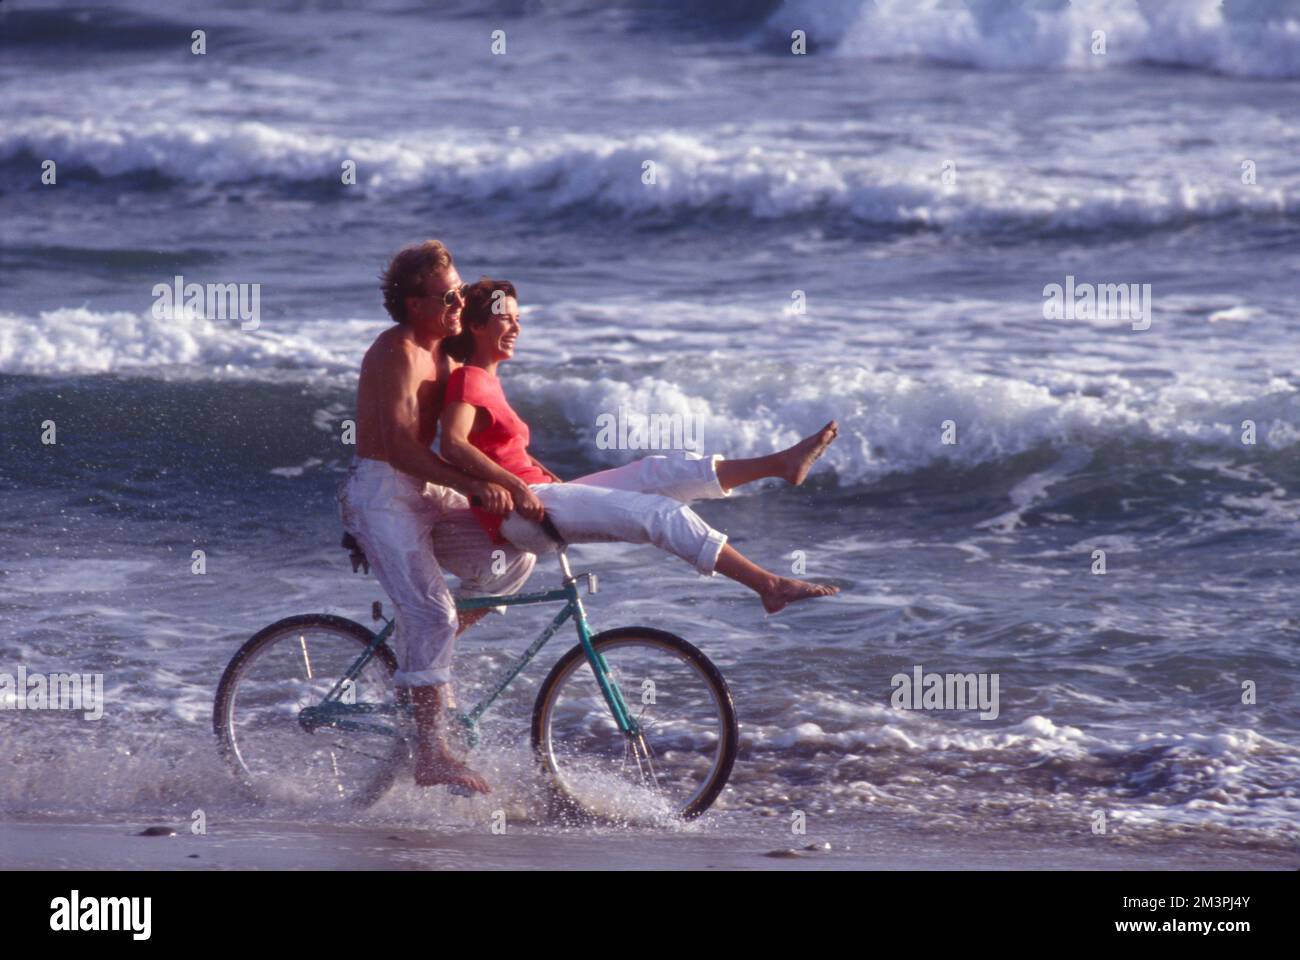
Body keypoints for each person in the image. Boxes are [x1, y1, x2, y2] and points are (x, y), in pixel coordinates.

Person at [439, 279, 841, 614]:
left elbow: (501, 450)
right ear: (476, 326)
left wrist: (543, 477)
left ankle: (782, 463)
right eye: (504, 319)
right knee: (659, 514)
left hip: (538, 494)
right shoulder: (468, 379)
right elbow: (454, 445)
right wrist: (519, 487)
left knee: (662, 472)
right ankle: (768, 584)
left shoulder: (488, 381)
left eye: (518, 319)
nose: (515, 327)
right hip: (521, 510)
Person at [338, 242, 537, 797]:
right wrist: (475, 485)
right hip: (382, 492)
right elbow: (402, 449)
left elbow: (476, 416)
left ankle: (420, 654)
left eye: (458, 291)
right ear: (412, 302)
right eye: (447, 296)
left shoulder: (448, 351)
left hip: (427, 489)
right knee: (432, 614)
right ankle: (431, 754)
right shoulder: (396, 350)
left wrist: (521, 479)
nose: (457, 302)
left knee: (513, 554)